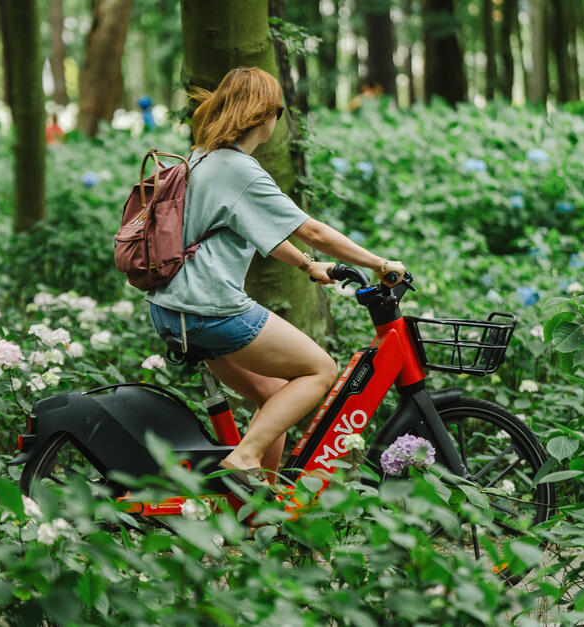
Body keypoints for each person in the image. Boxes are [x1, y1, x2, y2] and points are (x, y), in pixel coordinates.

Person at [146, 67, 406, 486]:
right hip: (208, 310)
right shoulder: (238, 169)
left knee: (274, 399)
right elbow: (313, 230)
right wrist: (380, 264)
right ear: (263, 114)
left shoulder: (203, 157)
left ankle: (263, 513)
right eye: (279, 110)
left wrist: (306, 265)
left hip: (172, 308)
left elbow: (255, 228)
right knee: (319, 370)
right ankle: (244, 457)